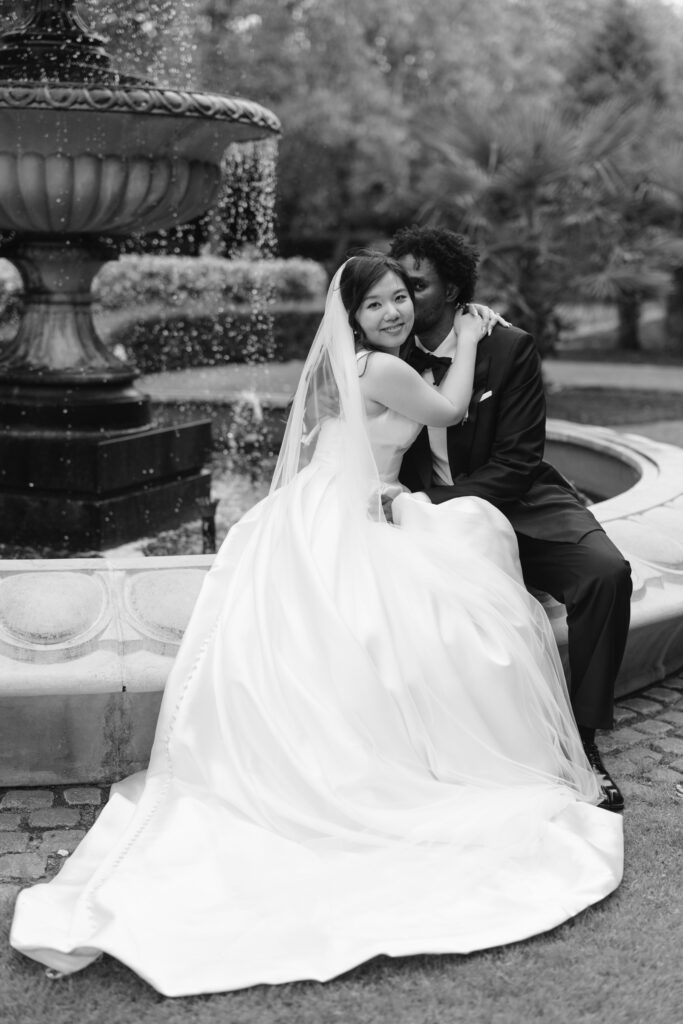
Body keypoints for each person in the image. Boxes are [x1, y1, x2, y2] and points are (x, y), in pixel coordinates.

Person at [10, 254, 623, 998]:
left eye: (402, 298)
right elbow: (453, 411)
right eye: (378, 306)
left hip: (332, 505)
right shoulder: (383, 370)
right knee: (444, 586)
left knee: (397, 598)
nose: (395, 312)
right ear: (353, 318)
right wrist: (463, 342)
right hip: (352, 511)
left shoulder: (359, 365)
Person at [389, 226, 633, 811]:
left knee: (606, 574)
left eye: (415, 287)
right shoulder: (384, 348)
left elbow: (519, 462)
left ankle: (585, 738)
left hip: (516, 503)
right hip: (418, 516)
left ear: (452, 293)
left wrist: (432, 507)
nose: (401, 299)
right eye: (396, 286)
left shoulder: (508, 346)